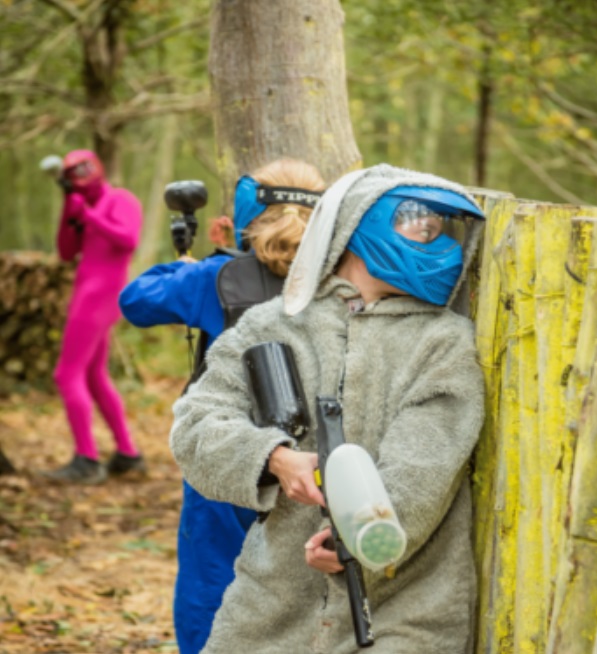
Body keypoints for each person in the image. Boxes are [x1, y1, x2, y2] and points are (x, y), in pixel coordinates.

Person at [170, 164, 487, 653]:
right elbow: (195, 425)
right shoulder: (273, 324)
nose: (432, 235)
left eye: (440, 227)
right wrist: (275, 457)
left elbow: (426, 458)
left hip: (405, 608)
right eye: (416, 220)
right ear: (357, 222)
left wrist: (361, 538)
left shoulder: (443, 342)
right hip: (271, 605)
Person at [118, 158, 326, 654]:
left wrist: (201, 262)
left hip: (229, 451)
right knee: (310, 582)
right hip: (317, 456)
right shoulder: (341, 278)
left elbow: (136, 300)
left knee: (212, 578)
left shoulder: (217, 277)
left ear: (247, 211)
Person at [43, 149, 143, 485]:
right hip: (87, 292)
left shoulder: (120, 199)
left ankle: (86, 459)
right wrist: (69, 214)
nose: (79, 175)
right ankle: (128, 454)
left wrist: (89, 216)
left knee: (66, 373)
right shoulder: (83, 205)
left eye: (83, 168)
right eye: (72, 172)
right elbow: (66, 251)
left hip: (100, 294)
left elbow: (128, 239)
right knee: (93, 375)